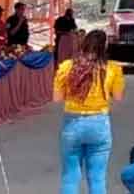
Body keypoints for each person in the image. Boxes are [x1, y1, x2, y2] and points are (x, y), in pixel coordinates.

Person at [54, 30, 125, 194]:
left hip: (72, 123)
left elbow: (57, 98)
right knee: (97, 178)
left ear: (84, 44)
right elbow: (119, 97)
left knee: (70, 177)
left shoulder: (67, 67)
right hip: (99, 123)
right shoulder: (112, 68)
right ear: (104, 47)